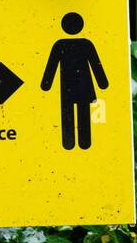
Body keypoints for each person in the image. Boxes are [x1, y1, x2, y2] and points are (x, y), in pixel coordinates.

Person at [40, 12, 108, 151]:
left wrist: (46, 84)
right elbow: (96, 65)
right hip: (84, 85)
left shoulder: (60, 44)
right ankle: (84, 142)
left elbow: (51, 66)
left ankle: (69, 143)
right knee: (83, 113)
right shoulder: (86, 44)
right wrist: (102, 83)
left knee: (68, 112)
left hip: (67, 86)